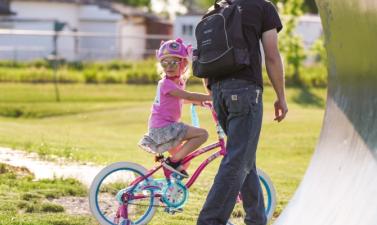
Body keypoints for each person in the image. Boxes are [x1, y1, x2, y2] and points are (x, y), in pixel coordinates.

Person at [197, 0, 288, 225]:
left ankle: (256, 219)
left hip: (219, 92)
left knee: (245, 158)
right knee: (237, 160)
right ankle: (209, 221)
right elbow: (272, 55)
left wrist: (214, 93)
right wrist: (281, 96)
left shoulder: (214, 10)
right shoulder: (262, 7)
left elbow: (206, 61)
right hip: (245, 91)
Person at [138, 38, 212, 178]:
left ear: (183, 63)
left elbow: (181, 99)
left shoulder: (178, 82)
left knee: (185, 161)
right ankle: (171, 163)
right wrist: (211, 97)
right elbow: (187, 94)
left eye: (173, 62)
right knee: (203, 134)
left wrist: (200, 103)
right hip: (164, 129)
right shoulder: (166, 84)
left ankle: (170, 191)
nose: (169, 67)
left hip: (165, 128)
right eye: (164, 63)